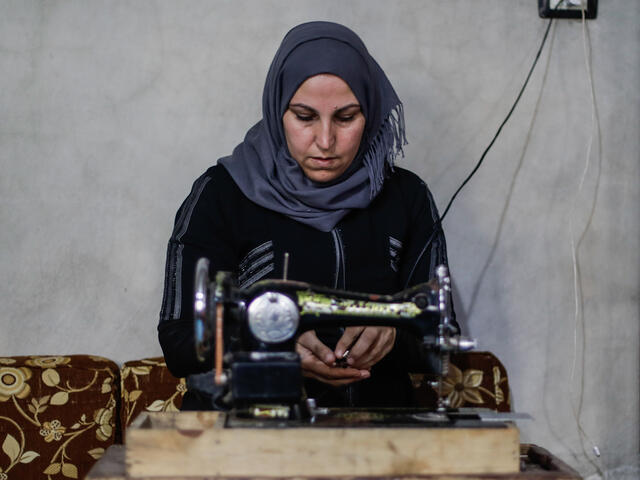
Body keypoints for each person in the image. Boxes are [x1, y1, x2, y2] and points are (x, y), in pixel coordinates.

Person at [158, 21, 455, 411]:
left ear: (371, 110)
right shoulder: (221, 195)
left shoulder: (406, 198)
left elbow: (443, 338)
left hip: (377, 436)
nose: (326, 141)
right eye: (304, 116)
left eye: (347, 118)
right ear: (277, 108)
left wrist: (395, 337)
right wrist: (267, 338)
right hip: (248, 439)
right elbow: (180, 342)